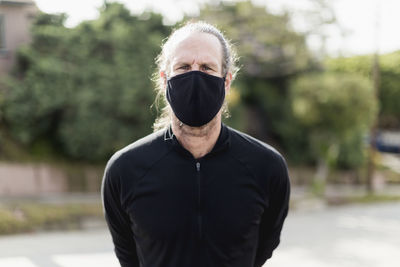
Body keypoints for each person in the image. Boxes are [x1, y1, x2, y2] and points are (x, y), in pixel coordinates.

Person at [101, 21, 290, 267]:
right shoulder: (125, 170)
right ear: (164, 79)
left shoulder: (266, 167)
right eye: (183, 67)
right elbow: (129, 257)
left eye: (207, 67)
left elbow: (262, 250)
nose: (195, 75)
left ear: (226, 81)